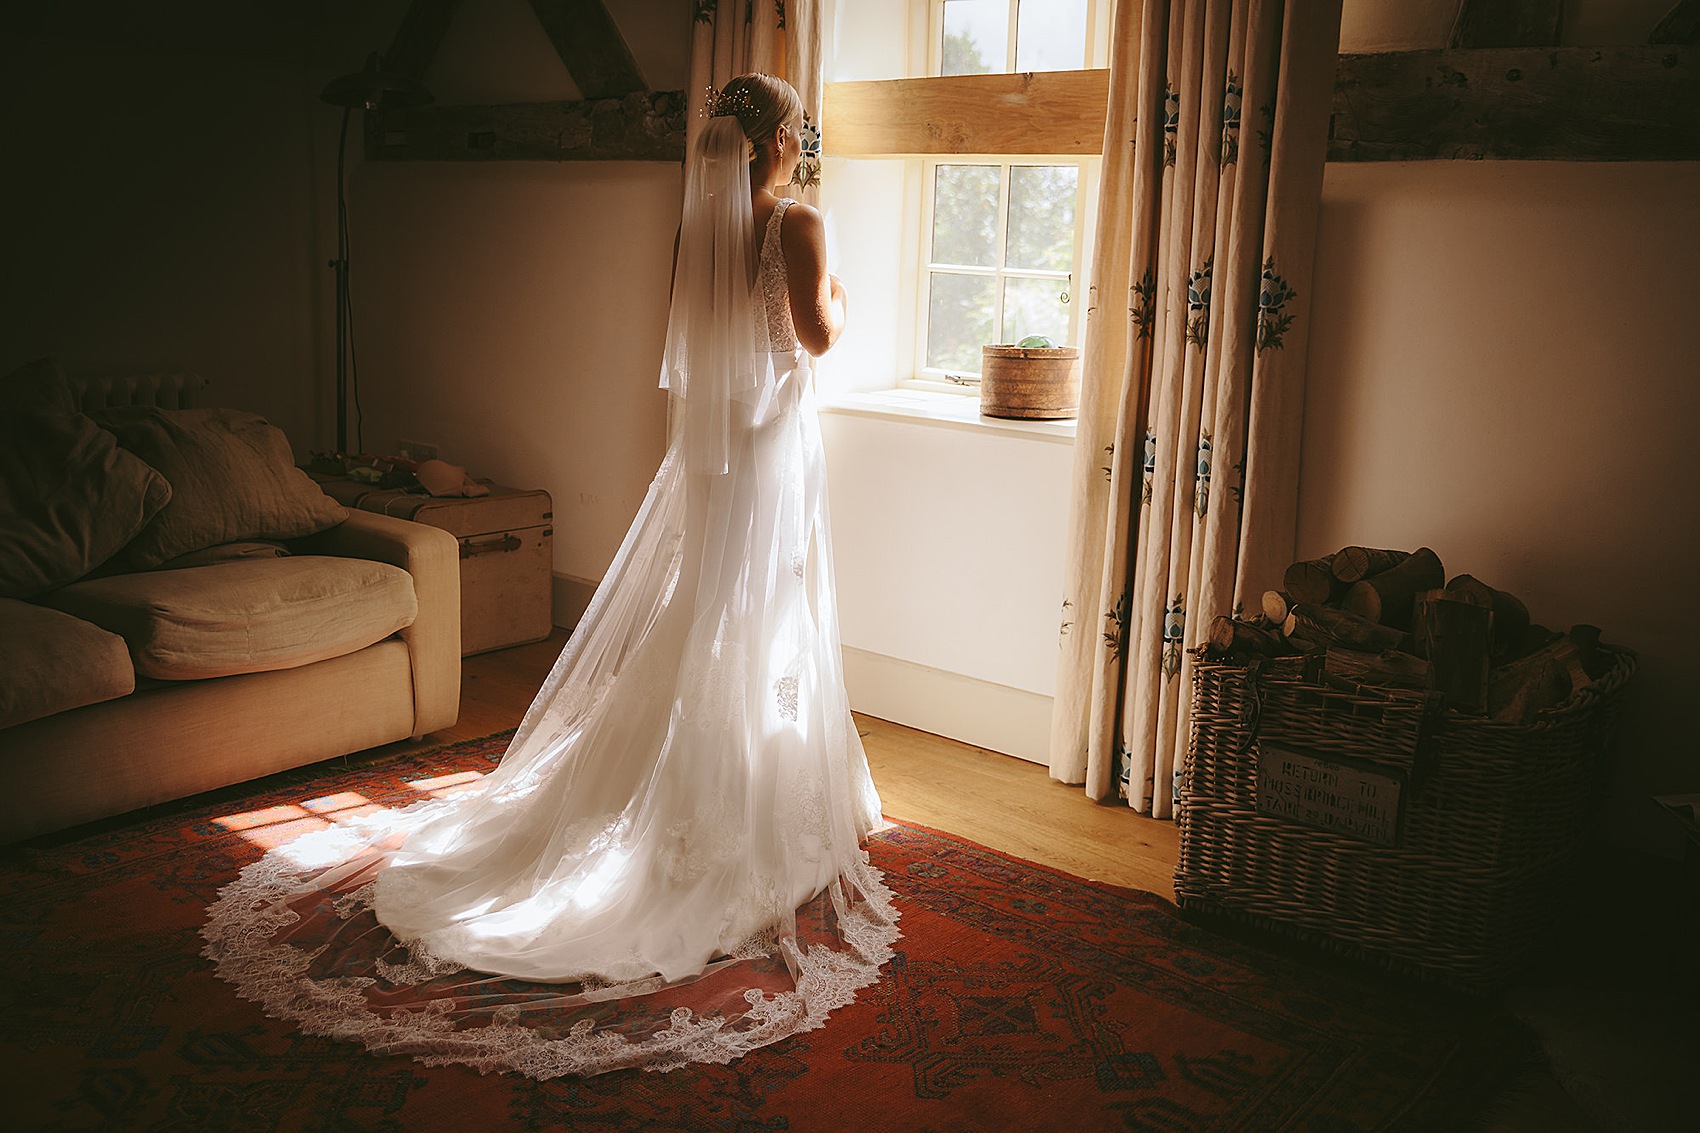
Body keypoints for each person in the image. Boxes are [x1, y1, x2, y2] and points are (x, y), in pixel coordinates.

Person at [202, 73, 899, 1078]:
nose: (803, 142)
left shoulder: (694, 229)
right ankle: (739, 793)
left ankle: (713, 768)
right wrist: (844, 291)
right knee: (761, 606)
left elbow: (694, 341)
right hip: (769, 443)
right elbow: (817, 335)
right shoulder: (797, 222)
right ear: (775, 142)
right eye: (799, 129)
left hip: (715, 452)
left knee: (714, 605)